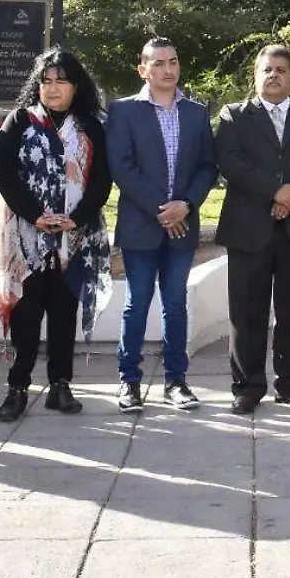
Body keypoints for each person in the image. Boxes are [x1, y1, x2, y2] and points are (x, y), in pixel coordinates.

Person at [0, 48, 113, 422]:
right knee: (27, 314)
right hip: (26, 237)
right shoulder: (20, 121)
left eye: (61, 81)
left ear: (76, 87)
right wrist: (35, 215)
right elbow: (4, 175)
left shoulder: (91, 126)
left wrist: (78, 217)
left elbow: (102, 179)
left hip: (75, 238)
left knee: (64, 312)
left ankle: (61, 386)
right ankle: (17, 389)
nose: (53, 88)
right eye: (46, 81)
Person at [217, 44, 290, 415]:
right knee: (247, 311)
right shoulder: (234, 116)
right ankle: (247, 386)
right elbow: (231, 162)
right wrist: (275, 191)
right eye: (267, 69)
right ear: (256, 75)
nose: (274, 75)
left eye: (281, 70)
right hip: (249, 226)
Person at [106, 37, 218, 413]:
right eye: (158, 64)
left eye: (173, 62)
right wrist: (161, 209)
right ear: (143, 69)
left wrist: (185, 205)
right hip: (142, 223)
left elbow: (207, 166)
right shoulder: (123, 111)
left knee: (175, 304)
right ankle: (129, 382)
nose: (168, 70)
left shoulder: (197, 112)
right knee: (137, 304)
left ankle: (176, 381)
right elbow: (122, 167)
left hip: (182, 225)